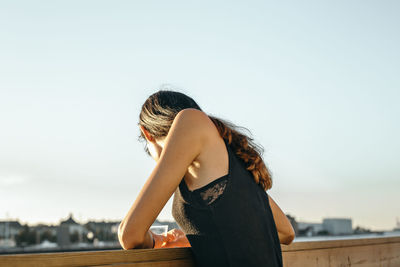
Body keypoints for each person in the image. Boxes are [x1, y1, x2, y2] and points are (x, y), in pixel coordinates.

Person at [118, 90, 295, 266]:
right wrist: (196, 239)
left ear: (147, 133)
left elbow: (129, 235)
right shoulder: (228, 161)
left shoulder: (190, 120)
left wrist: (158, 239)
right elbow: (285, 231)